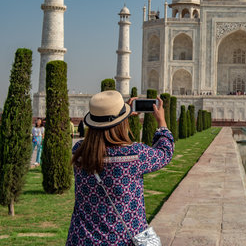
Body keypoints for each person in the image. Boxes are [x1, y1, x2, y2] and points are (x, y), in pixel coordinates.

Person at [66, 90, 174, 245]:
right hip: (122, 240)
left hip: (82, 239)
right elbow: (165, 152)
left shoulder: (79, 151)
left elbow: (104, 139)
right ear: (122, 122)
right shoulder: (134, 155)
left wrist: (120, 117)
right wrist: (161, 122)